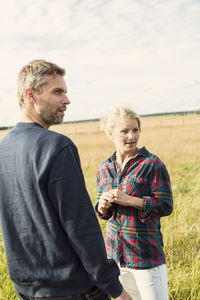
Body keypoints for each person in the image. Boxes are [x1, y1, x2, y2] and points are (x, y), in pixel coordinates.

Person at [0, 60, 132, 300]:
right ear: (31, 95)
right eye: (57, 92)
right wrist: (115, 288)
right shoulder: (57, 146)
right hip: (71, 288)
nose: (67, 100)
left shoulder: (3, 148)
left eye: (66, 92)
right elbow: (80, 226)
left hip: (27, 288)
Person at [95, 106, 173, 300]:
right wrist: (102, 206)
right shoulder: (104, 168)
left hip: (146, 258)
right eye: (125, 131)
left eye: (135, 130)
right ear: (111, 133)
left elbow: (165, 205)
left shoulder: (152, 164)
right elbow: (101, 212)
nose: (132, 136)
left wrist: (130, 200)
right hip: (115, 257)